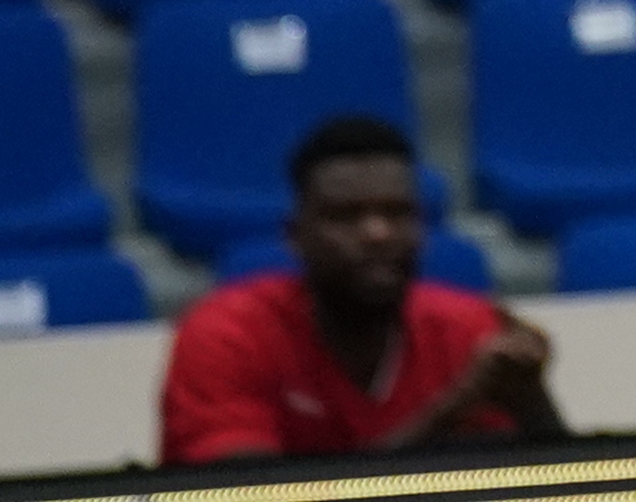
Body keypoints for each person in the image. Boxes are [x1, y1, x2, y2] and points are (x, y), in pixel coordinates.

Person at [161, 115, 564, 463]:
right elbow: (251, 492)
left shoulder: (468, 328)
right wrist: (451, 409)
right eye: (345, 216)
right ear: (295, 235)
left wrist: (529, 400)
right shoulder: (226, 336)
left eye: (398, 212)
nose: (377, 233)